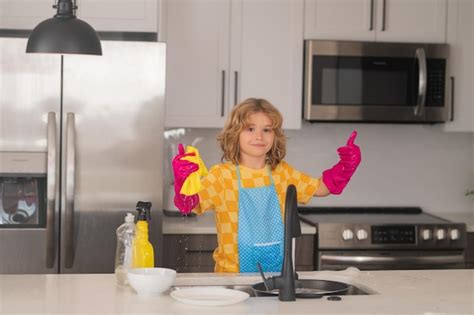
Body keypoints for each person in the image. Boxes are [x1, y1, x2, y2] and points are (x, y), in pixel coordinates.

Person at [172, 98, 361, 273]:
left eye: (267, 130)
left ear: (275, 135)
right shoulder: (221, 176)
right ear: (235, 134)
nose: (259, 136)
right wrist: (183, 182)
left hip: (276, 278)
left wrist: (345, 167)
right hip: (231, 279)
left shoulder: (282, 173)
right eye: (250, 129)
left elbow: (320, 188)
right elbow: (189, 204)